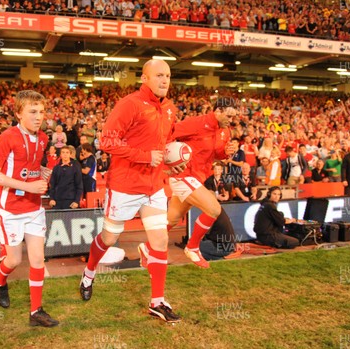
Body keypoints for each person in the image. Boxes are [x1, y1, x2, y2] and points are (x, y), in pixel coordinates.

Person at [78, 59, 181, 323]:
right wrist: (145, 156)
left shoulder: (169, 108)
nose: (164, 80)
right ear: (144, 78)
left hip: (154, 186)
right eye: (159, 75)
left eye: (168, 75)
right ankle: (89, 272)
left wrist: (174, 160)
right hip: (125, 185)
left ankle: (157, 302)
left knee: (159, 242)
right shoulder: (130, 104)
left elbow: (165, 143)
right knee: (109, 239)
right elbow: (107, 141)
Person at [0, 90, 59, 327]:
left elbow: (35, 167)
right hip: (10, 210)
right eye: (32, 112)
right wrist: (27, 185)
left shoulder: (43, 138)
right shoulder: (7, 138)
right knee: (14, 260)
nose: (39, 117)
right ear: (18, 113)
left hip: (34, 208)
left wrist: (44, 175)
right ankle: (0, 281)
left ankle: (36, 311)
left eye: (41, 111)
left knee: (38, 259)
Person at [158, 106, 236, 269]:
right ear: (218, 111)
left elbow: (217, 154)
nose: (231, 120)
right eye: (228, 116)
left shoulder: (225, 131)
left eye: (233, 117)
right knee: (214, 209)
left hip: (197, 177)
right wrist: (167, 161)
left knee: (171, 219)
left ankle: (148, 248)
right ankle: (192, 246)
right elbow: (167, 134)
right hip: (183, 175)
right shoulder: (197, 123)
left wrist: (225, 152)